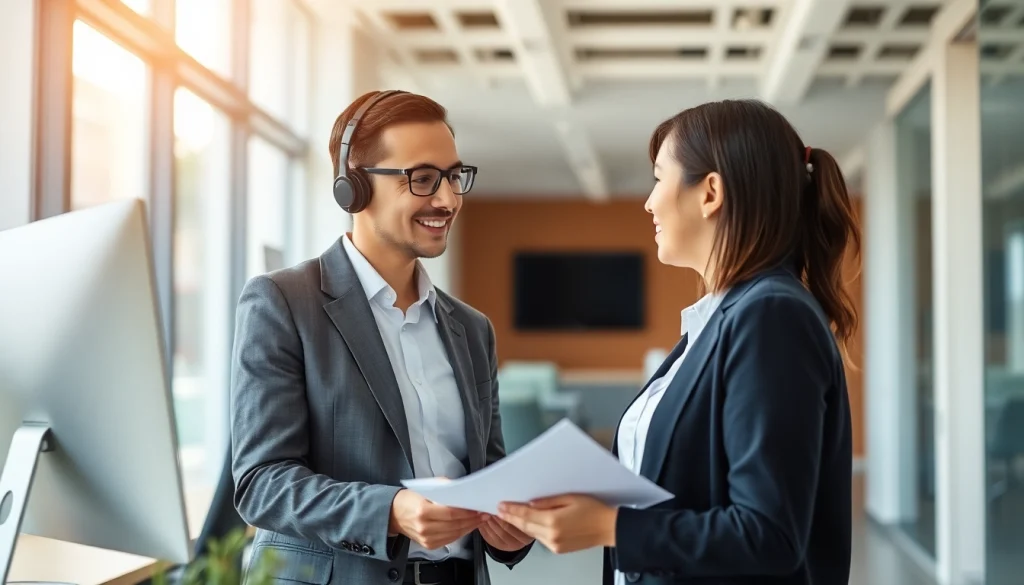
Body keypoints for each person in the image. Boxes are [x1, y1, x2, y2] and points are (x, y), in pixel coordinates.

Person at [498, 99, 859, 585]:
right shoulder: (724, 318)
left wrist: (610, 526)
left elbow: (768, 535)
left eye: (657, 178)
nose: (648, 202)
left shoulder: (772, 315)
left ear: (710, 192)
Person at [230, 89, 533, 585]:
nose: (449, 199)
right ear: (354, 187)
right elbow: (262, 483)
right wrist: (390, 509)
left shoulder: (472, 329)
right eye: (423, 179)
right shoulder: (282, 302)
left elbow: (489, 473)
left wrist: (511, 527)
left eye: (455, 177)